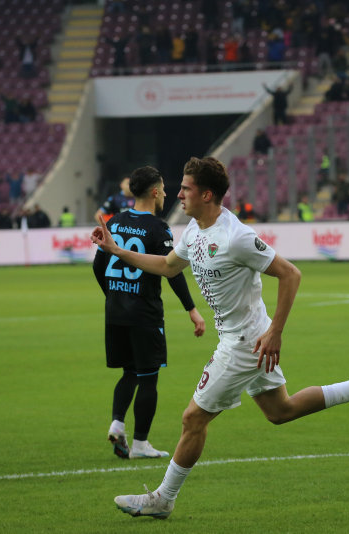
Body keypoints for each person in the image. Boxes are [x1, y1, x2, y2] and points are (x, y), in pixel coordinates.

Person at [91, 156, 349, 519]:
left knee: (192, 419)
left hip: (245, 342)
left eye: (186, 188)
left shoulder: (237, 236)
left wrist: (275, 332)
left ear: (208, 194)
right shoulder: (195, 230)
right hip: (245, 335)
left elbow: (291, 274)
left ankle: (163, 499)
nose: (178, 194)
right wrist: (117, 251)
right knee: (281, 410)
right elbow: (168, 266)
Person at [93, 166, 206, 460]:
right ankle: (141, 444)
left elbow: (98, 265)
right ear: (154, 191)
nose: (167, 194)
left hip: (116, 312)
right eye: (164, 188)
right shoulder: (158, 228)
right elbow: (173, 271)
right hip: (144, 315)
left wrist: (114, 296)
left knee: (129, 371)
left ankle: (118, 423)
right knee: (148, 377)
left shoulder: (114, 222)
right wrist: (192, 309)